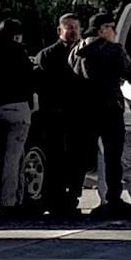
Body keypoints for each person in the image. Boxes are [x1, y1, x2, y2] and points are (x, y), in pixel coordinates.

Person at [70, 12, 131, 219]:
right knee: (113, 157)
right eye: (111, 27)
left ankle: (70, 198)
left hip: (84, 110)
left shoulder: (76, 51)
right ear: (102, 30)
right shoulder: (114, 50)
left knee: (81, 157)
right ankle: (113, 200)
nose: (115, 32)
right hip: (110, 108)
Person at [0, 18, 35, 219]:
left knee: (4, 157)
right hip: (18, 110)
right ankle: (10, 203)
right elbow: (31, 83)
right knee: (14, 159)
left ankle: (10, 199)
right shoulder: (21, 56)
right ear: (17, 36)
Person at [33, 13, 85, 217]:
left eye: (75, 27)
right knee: (55, 158)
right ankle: (54, 199)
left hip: (79, 115)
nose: (72, 31)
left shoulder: (86, 53)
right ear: (60, 30)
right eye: (68, 27)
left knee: (77, 159)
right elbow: (41, 84)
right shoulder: (47, 55)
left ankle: (72, 198)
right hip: (54, 116)